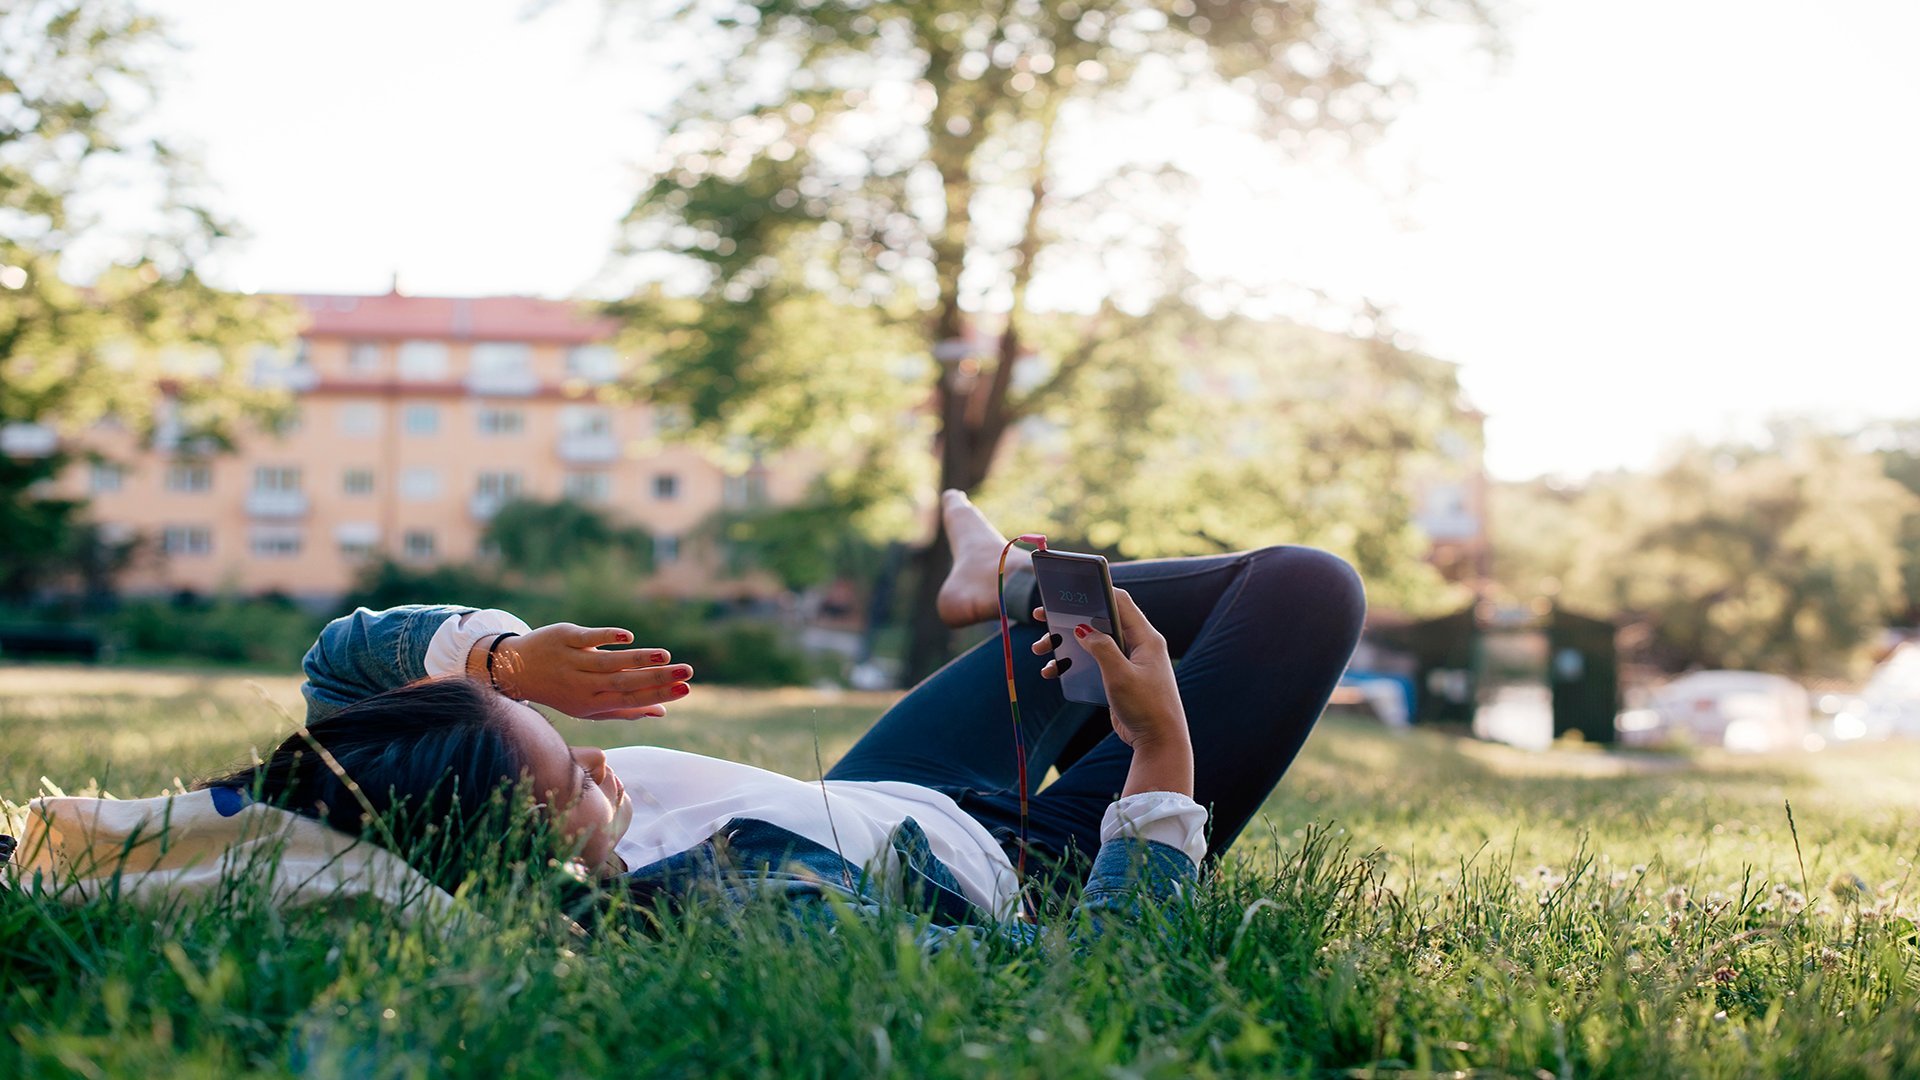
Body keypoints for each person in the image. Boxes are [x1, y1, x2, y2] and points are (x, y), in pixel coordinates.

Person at [204, 492, 1366, 933]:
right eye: (573, 785)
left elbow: (341, 675)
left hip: (886, 782)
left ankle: (1001, 580)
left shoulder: (405, 796)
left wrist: (500, 664)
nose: (609, 772)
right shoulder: (738, 910)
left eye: (581, 753)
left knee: (1142, 599)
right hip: (1030, 861)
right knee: (1306, 587)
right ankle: (1011, 590)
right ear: (513, 862)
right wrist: (1159, 749)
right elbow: (1099, 969)